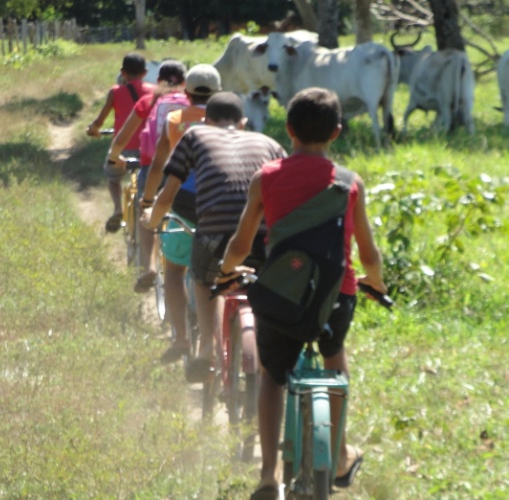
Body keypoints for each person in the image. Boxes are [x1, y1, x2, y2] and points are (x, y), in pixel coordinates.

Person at [215, 87, 387, 500]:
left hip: (281, 297)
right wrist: (375, 282)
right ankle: (342, 452)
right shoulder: (350, 184)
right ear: (338, 133)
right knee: (335, 359)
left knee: (273, 377)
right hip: (336, 298)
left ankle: (268, 475)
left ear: (288, 129)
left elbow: (241, 243)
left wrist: (225, 273)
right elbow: (368, 253)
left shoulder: (267, 177)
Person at [143, 86, 287, 374]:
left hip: (213, 236)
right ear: (243, 122)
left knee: (203, 278)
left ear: (206, 120)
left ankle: (207, 349)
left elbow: (168, 194)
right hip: (263, 237)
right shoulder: (270, 144)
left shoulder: (194, 135)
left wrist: (151, 219)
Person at [142, 64, 219, 363]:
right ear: (218, 93)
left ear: (185, 92)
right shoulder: (228, 121)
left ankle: (182, 339)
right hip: (219, 205)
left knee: (174, 271)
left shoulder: (175, 120)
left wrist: (148, 199)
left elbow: (159, 164)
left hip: (182, 201)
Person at [106, 60, 189, 293]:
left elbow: (122, 137)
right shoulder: (190, 101)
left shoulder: (149, 100)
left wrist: (114, 156)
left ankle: (150, 266)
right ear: (183, 82)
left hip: (153, 167)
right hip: (186, 170)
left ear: (158, 80)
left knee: (146, 213)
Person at [86, 52, 154, 233]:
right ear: (145, 72)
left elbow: (100, 121)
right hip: (149, 149)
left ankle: (118, 208)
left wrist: (93, 129)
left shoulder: (115, 92)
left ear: (122, 72)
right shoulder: (154, 92)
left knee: (113, 178)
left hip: (122, 150)